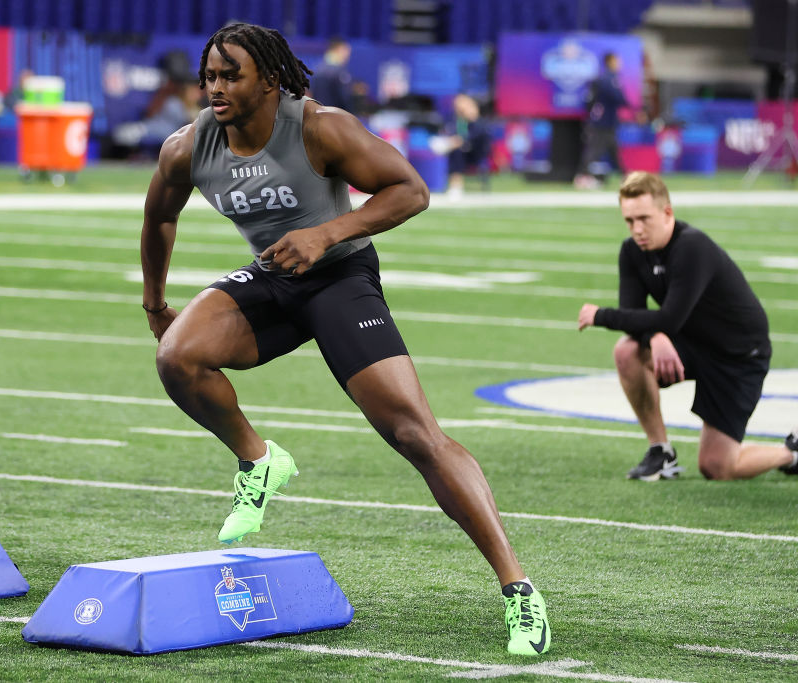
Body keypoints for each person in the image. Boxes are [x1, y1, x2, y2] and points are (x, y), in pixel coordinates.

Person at [140, 22, 551, 656]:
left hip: (339, 277)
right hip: (276, 275)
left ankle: (519, 590)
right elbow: (159, 217)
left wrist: (327, 233)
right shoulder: (187, 146)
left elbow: (411, 190)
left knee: (416, 434)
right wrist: (155, 301)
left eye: (231, 76)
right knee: (178, 359)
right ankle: (259, 460)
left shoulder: (319, 126)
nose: (214, 88)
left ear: (270, 80)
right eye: (210, 77)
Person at [577, 172, 798, 481]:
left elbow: (669, 319)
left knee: (716, 467)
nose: (637, 229)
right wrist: (656, 336)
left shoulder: (692, 246)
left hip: (738, 356)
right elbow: (635, 313)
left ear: (667, 212)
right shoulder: (631, 251)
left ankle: (792, 453)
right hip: (692, 341)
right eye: (629, 221)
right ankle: (661, 452)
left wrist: (601, 316)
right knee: (627, 351)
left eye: (644, 218)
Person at [573, 52, 628, 190]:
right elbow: (617, 96)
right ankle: (582, 176)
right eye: (617, 61)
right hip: (604, 121)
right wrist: (629, 104)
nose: (619, 64)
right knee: (595, 149)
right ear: (610, 62)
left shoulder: (602, 78)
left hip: (604, 120)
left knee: (613, 149)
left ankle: (625, 177)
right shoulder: (608, 78)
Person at [434, 93, 491, 199]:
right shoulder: (456, 120)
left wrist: (473, 119)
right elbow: (450, 133)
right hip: (460, 151)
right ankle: (450, 184)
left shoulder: (478, 121)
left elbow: (475, 136)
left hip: (476, 153)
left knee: (457, 150)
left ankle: (456, 185)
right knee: (454, 151)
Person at [309, 37, 353, 112]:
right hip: (335, 117)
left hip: (318, 115)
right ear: (340, 49)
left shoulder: (317, 68)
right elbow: (343, 99)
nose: (348, 55)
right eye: (347, 51)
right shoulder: (339, 72)